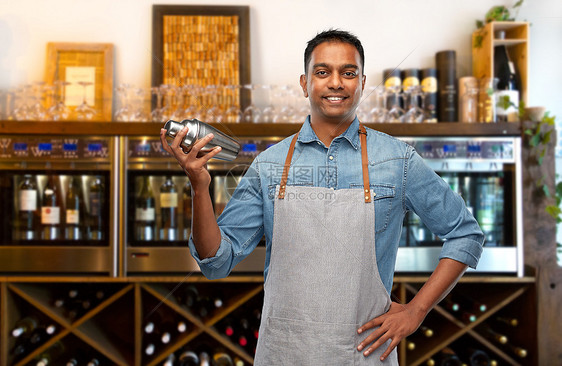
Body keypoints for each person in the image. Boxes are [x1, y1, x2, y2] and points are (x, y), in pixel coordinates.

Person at [160, 29, 484, 365]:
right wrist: (200, 187)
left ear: (361, 82)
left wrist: (416, 311)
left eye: (348, 73)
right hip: (284, 354)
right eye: (322, 72)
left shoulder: (397, 160)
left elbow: (465, 234)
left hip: (364, 355)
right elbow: (216, 261)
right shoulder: (269, 165)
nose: (336, 83)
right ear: (305, 83)